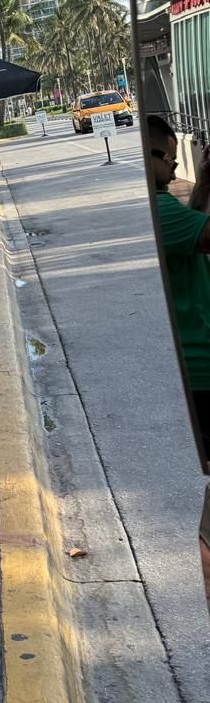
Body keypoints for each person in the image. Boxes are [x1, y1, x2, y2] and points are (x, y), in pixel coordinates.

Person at [145, 116, 210, 476]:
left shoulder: (166, 208)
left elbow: (191, 234)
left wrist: (203, 184)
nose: (173, 169)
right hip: (201, 367)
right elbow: (202, 236)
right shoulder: (160, 207)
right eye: (167, 159)